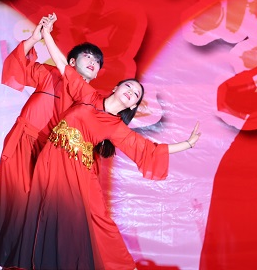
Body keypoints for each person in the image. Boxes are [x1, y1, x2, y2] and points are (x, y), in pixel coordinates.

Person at [17, 14, 201, 270]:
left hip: (80, 174)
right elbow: (63, 65)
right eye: (129, 87)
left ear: (133, 105)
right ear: (116, 88)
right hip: (51, 161)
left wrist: (188, 144)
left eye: (136, 95)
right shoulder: (88, 96)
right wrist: (46, 34)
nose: (131, 92)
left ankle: (122, 267)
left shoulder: (116, 128)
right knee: (44, 216)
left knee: (98, 219)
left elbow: (149, 150)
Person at [0, 16, 106, 268]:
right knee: (18, 212)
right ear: (70, 62)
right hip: (26, 145)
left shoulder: (92, 100)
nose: (93, 62)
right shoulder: (49, 73)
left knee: (45, 220)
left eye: (97, 62)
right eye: (88, 56)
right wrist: (34, 38)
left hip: (56, 161)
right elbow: (17, 67)